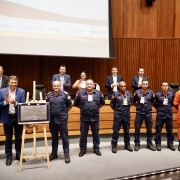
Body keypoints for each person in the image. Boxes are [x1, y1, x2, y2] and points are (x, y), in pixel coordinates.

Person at [74, 79, 105, 157]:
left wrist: (95, 109)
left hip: (95, 117)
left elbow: (102, 103)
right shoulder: (80, 93)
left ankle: (96, 149)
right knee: (83, 134)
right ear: (85, 85)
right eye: (88, 84)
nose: (89, 85)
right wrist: (84, 109)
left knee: (96, 134)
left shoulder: (98, 93)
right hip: (84, 117)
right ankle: (83, 149)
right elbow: (76, 103)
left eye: (91, 84)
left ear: (93, 85)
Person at [0, 75, 25, 166]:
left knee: (19, 138)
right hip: (7, 118)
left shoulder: (21, 91)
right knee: (8, 139)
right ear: (8, 82)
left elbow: (23, 105)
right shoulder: (2, 92)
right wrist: (6, 102)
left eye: (15, 82)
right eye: (11, 82)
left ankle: (18, 155)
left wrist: (16, 103)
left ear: (17, 83)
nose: (13, 84)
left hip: (18, 118)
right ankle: (9, 157)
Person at [47, 81, 72, 163]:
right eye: (54, 86)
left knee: (64, 137)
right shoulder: (49, 95)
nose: (56, 87)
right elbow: (46, 106)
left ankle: (66, 154)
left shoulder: (65, 94)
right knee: (54, 138)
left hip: (62, 119)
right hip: (52, 120)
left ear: (60, 86)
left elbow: (69, 106)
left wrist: (63, 113)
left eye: (58, 86)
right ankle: (54, 153)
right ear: (52, 87)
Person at [110, 81, 133, 153]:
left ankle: (127, 145)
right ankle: (114, 145)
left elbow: (131, 103)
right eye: (121, 86)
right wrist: (117, 110)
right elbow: (112, 105)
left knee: (127, 131)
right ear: (119, 87)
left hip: (126, 115)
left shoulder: (129, 94)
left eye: (124, 86)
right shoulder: (115, 94)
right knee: (116, 131)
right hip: (118, 115)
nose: (123, 88)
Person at [133, 80, 156, 151]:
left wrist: (147, 107)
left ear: (148, 85)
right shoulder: (137, 92)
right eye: (144, 84)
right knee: (137, 129)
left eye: (146, 84)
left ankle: (149, 144)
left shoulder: (151, 93)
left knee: (149, 129)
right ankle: (137, 144)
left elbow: (153, 102)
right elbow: (134, 102)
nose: (145, 85)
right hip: (139, 113)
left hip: (148, 113)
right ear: (141, 85)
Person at [154, 81, 175, 151]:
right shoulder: (157, 94)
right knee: (158, 130)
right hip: (160, 114)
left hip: (168, 114)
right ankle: (158, 144)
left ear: (168, 86)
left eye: (166, 85)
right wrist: (160, 109)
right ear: (161, 87)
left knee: (169, 130)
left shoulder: (171, 94)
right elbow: (155, 104)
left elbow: (172, 103)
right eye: (164, 85)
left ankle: (170, 143)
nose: (165, 87)